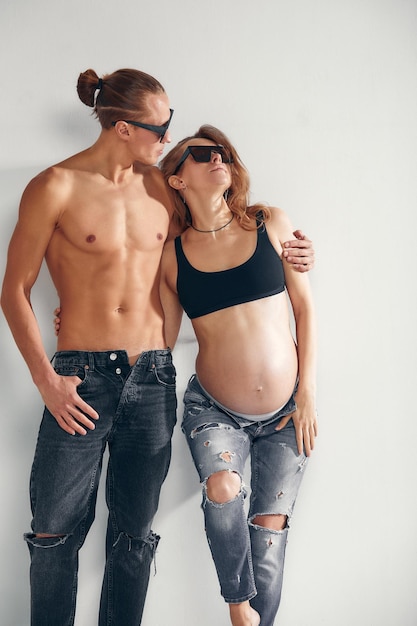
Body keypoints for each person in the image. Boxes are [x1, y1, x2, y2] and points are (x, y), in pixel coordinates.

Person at [1, 67, 314, 626]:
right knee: (54, 530)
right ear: (122, 127)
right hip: (78, 377)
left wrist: (296, 252)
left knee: (133, 533)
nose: (168, 137)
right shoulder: (55, 186)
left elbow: (215, 250)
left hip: (152, 375)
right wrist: (45, 379)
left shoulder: (162, 191)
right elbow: (13, 290)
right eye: (159, 126)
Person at [159, 125, 317, 626]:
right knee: (223, 487)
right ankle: (237, 606)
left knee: (269, 530)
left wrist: (307, 393)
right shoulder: (173, 255)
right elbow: (159, 337)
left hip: (287, 410)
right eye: (200, 155)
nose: (216, 158)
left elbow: (306, 310)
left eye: (221, 152)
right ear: (177, 180)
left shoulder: (269, 222)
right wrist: (77, 319)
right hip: (214, 409)